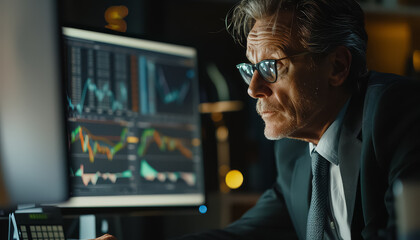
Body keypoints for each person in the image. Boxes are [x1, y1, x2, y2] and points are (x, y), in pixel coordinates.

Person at [96, 0, 420, 239]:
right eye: (250, 68)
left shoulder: (396, 113)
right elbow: (245, 234)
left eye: (270, 67)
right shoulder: (293, 150)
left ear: (337, 67)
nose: (253, 89)